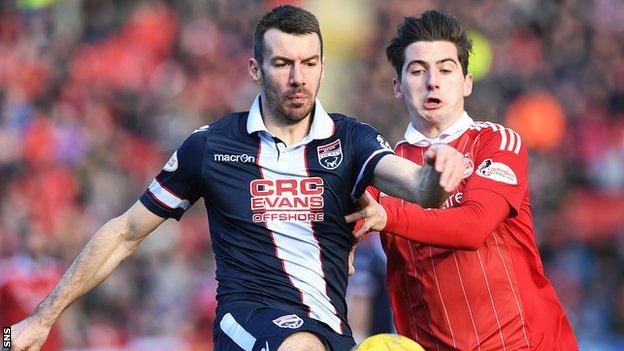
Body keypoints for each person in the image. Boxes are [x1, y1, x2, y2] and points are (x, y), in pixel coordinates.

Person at [10, 5, 465, 351]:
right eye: (282, 63)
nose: (297, 78)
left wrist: (436, 174)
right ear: (255, 69)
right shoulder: (211, 146)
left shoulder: (351, 140)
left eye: (309, 63)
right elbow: (126, 232)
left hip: (330, 333)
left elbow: (417, 187)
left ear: (324, 68)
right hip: (247, 321)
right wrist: (43, 317)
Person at [346, 10, 578, 350]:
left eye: (445, 68)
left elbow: (473, 227)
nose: (432, 81)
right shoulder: (381, 169)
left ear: (466, 82)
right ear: (397, 87)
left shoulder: (497, 142)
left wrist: (389, 217)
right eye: (417, 70)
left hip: (526, 344)